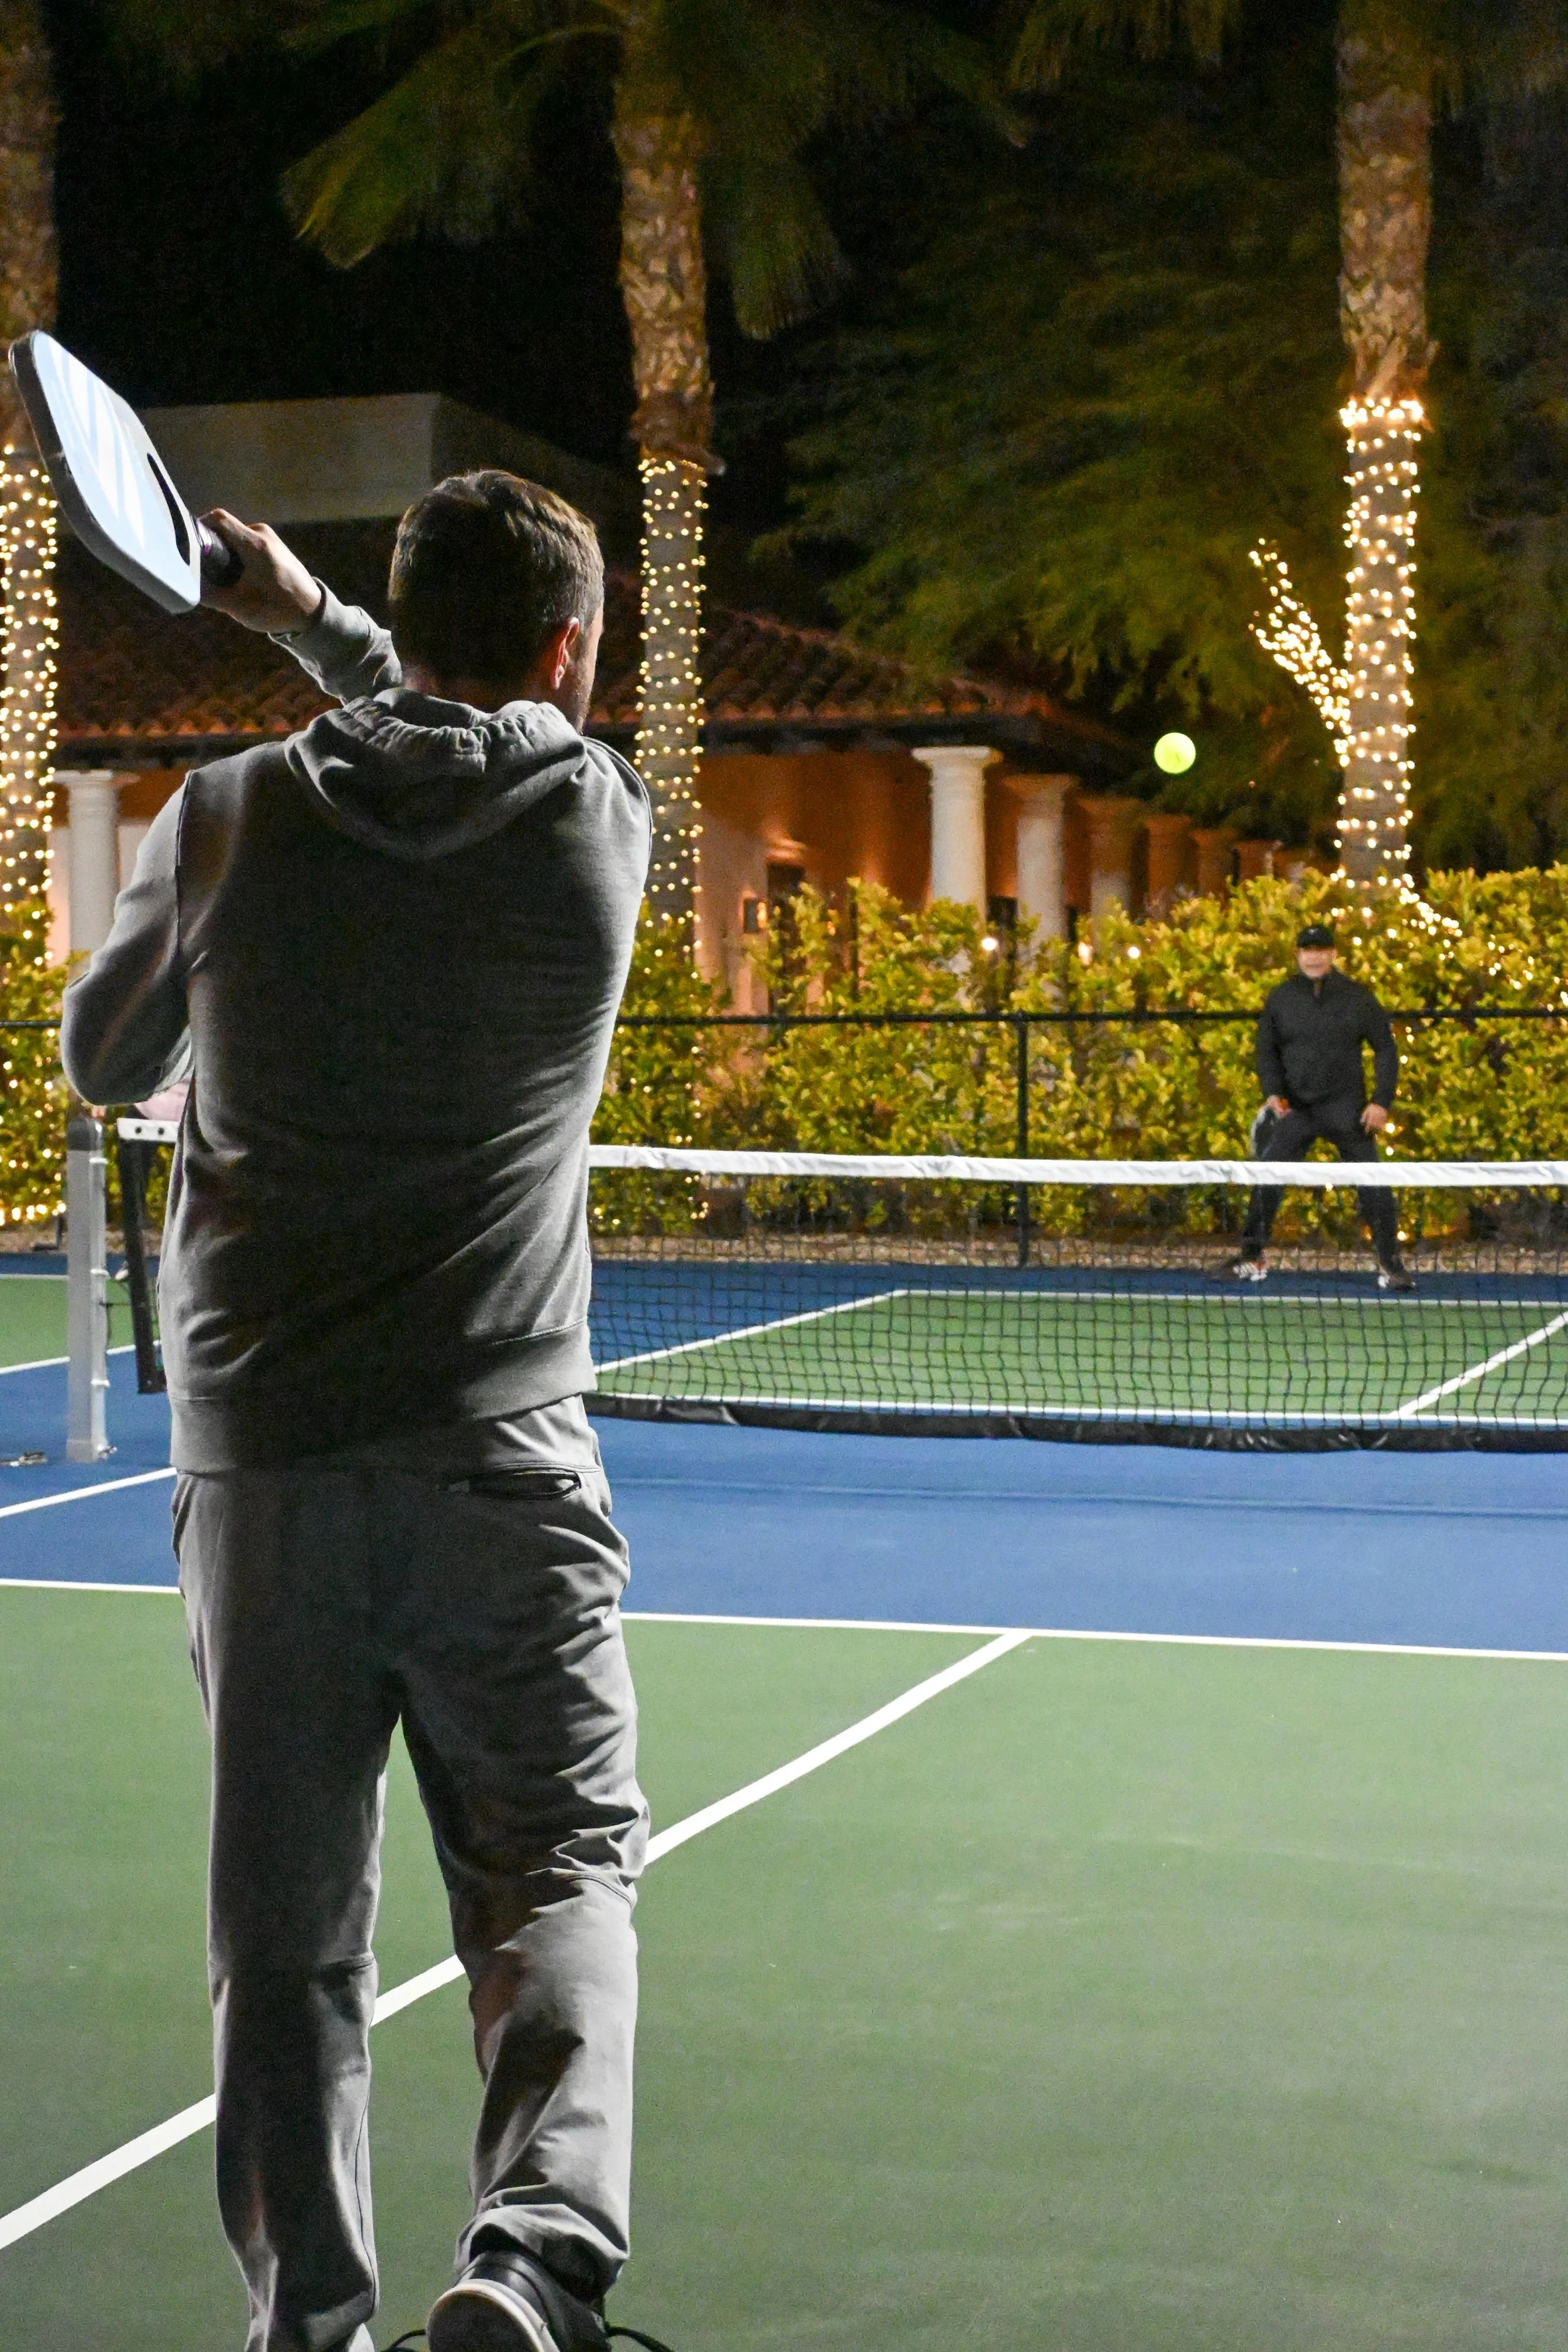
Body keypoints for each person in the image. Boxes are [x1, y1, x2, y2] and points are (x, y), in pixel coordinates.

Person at [60, 474, 661, 2352]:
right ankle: (531, 2257)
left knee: (287, 1932)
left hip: (266, 1464)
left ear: (410, 601)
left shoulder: (228, 817)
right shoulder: (594, 823)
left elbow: (104, 1054)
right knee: (556, 1869)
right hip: (503, 1454)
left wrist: (304, 637)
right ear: (569, 651)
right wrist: (319, 625)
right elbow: (472, 708)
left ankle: (306, 2322)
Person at [1222, 921, 1414, 1291]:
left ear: (1332, 955)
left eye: (1321, 950)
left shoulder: (1358, 997)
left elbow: (1386, 1050)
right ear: (1298, 955)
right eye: (1307, 951)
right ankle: (1250, 1258)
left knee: (1374, 1186)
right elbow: (1267, 1050)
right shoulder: (1280, 998)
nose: (1314, 957)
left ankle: (1392, 1266)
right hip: (1297, 1111)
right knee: (1268, 1178)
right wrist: (1273, 1094)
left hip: (1347, 1111)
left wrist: (1380, 1103)